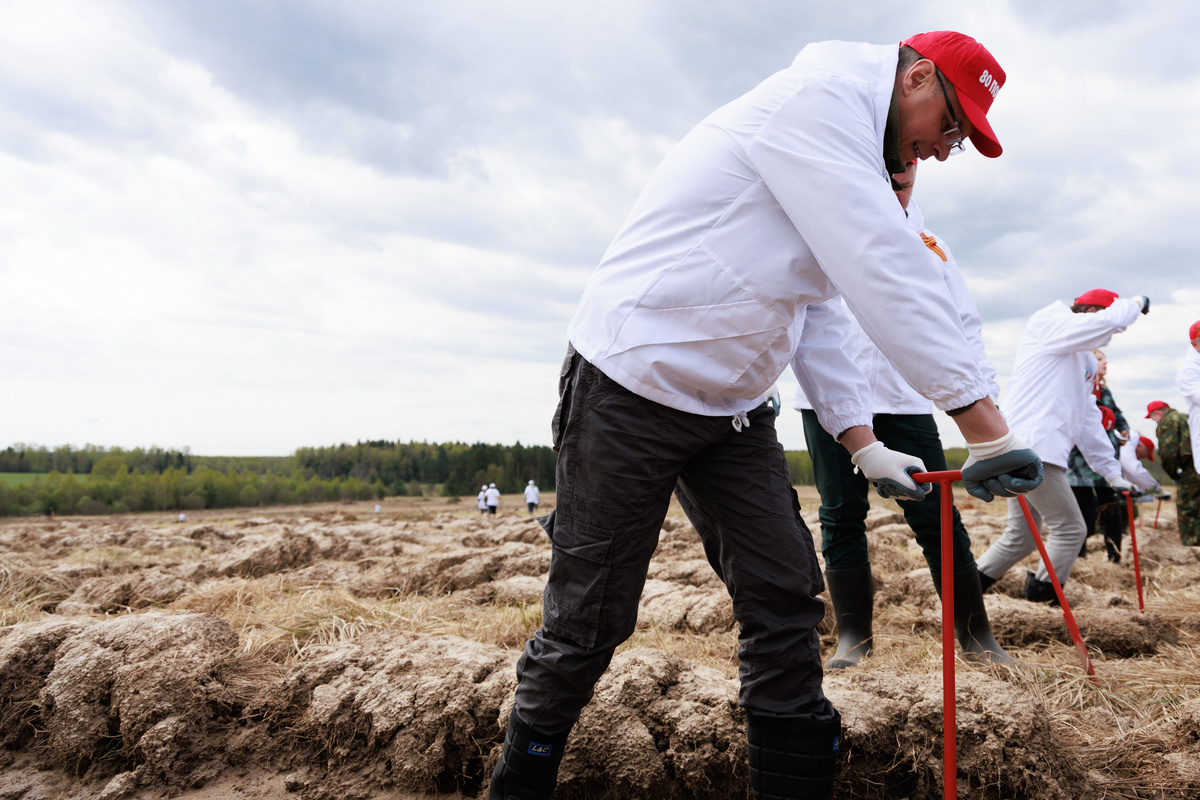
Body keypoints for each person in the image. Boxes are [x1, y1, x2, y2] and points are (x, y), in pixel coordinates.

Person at [488, 32, 1042, 800]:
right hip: (632, 386)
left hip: (734, 412)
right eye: (951, 127)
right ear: (916, 76)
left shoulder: (855, 149)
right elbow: (885, 270)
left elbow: (814, 312)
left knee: (784, 594)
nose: (946, 152)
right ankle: (519, 783)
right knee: (590, 619)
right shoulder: (812, 108)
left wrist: (860, 440)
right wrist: (986, 427)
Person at [795, 159, 1011, 669]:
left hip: (904, 398)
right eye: (884, 184)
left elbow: (963, 323)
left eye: (904, 185)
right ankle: (854, 638)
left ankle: (976, 636)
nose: (894, 195)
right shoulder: (826, 229)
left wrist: (988, 402)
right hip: (830, 401)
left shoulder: (930, 245)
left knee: (937, 516)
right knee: (840, 516)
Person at [976, 289, 1146, 603]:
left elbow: (1087, 419)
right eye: (1110, 324)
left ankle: (958, 595)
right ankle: (1043, 607)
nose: (1110, 335)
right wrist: (1134, 305)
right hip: (1032, 447)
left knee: (1021, 537)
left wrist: (1110, 473)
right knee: (1069, 530)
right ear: (1092, 311)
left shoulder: (1084, 359)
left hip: (1033, 449)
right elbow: (1102, 323)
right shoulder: (1051, 321)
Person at [1067, 352, 1131, 562]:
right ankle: (1079, 557)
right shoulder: (1074, 387)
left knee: (1111, 509)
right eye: (1101, 359)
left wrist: (1123, 430)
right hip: (1079, 464)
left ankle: (1115, 557)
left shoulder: (1105, 392)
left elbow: (1118, 415)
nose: (1106, 363)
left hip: (1105, 462)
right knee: (1082, 512)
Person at [1147, 400, 1199, 545]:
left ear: (1158, 413)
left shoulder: (1168, 421)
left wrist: (1174, 474)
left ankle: (1193, 546)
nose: (1154, 422)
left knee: (1187, 506)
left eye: (1153, 418)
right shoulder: (1187, 417)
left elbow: (1168, 452)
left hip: (1192, 468)